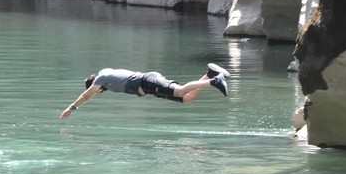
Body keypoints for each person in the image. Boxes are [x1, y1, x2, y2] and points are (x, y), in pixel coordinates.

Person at [59, 63, 229, 119]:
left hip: (148, 80)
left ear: (95, 86)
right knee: (187, 98)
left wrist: (72, 107)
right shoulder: (105, 73)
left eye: (97, 91)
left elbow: (87, 95)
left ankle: (215, 80)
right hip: (149, 88)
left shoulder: (101, 79)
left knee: (180, 91)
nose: (97, 93)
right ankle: (209, 74)